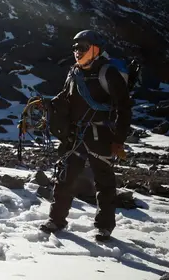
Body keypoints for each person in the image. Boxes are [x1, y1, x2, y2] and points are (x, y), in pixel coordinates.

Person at [42, 29, 131, 241]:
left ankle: (104, 227)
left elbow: (124, 107)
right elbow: (66, 98)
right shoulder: (74, 73)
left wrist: (118, 139)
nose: (77, 51)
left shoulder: (108, 73)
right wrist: (50, 106)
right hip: (76, 135)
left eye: (82, 47)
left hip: (101, 134)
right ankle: (56, 219)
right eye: (75, 47)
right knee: (65, 179)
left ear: (96, 49)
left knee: (104, 183)